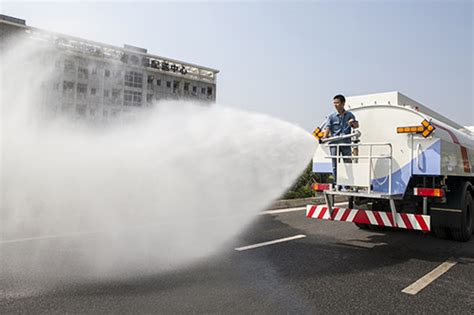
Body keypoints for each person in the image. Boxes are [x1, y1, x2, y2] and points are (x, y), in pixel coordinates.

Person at [323, 94, 359, 189]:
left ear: (343, 103)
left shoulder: (350, 115)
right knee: (335, 165)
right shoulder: (331, 116)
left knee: (347, 163)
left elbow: (356, 126)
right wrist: (324, 137)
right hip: (334, 144)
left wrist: (352, 123)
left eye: (337, 103)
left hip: (346, 143)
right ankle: (337, 184)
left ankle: (349, 184)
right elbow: (327, 127)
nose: (335, 105)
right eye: (334, 103)